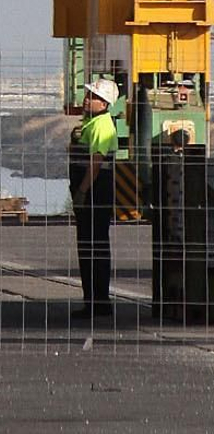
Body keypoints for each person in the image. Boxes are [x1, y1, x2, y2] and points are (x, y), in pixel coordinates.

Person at [69, 75, 120, 319]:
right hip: (91, 190)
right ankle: (91, 301)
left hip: (95, 192)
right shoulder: (91, 124)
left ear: (105, 103)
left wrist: (82, 191)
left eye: (93, 97)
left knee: (94, 245)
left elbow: (96, 162)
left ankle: (99, 302)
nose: (87, 99)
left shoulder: (102, 125)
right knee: (88, 245)